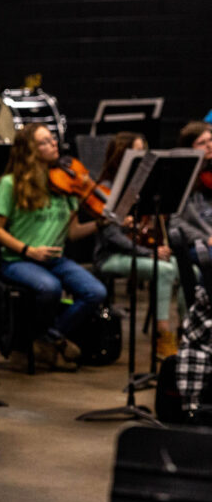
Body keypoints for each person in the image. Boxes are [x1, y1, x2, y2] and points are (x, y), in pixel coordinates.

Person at [0, 123, 107, 370]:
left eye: (53, 140)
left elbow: (73, 233)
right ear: (29, 149)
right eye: (45, 141)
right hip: (18, 259)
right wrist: (28, 250)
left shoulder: (66, 184)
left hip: (55, 259)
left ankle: (46, 339)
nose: (54, 144)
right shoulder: (10, 184)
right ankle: (54, 342)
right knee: (49, 288)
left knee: (95, 292)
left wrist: (101, 223)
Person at [94, 132, 180, 358]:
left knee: (185, 269)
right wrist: (149, 252)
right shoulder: (106, 188)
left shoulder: (142, 189)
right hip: (111, 256)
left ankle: (187, 331)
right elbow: (113, 237)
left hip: (139, 251)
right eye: (137, 153)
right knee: (164, 269)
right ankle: (163, 334)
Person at [169, 121, 212, 250]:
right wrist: (207, 238)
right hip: (199, 244)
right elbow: (175, 223)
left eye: (210, 140)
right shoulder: (181, 179)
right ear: (189, 148)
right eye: (201, 143)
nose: (209, 146)